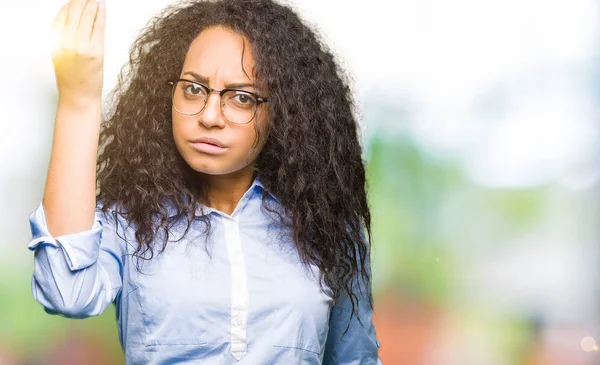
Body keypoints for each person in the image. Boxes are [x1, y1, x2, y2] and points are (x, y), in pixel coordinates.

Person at [27, 0, 382, 363]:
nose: (210, 116)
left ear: (285, 111)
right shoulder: (132, 220)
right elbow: (66, 293)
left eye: (241, 98)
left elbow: (355, 358)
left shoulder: (324, 225)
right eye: (194, 89)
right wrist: (79, 99)